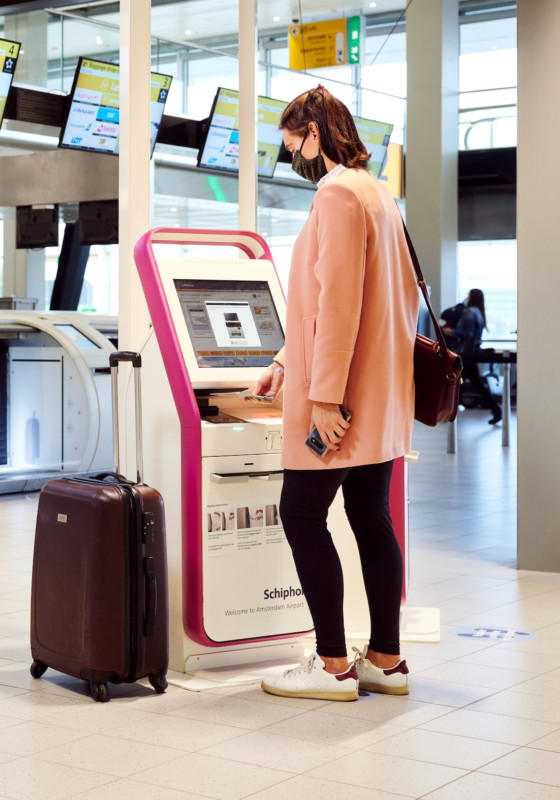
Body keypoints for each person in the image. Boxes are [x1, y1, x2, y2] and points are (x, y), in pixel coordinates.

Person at [249, 86, 418, 701]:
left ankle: (331, 664)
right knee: (370, 516)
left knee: (300, 513)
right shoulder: (378, 194)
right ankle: (385, 659)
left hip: (342, 401)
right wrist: (283, 360)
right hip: (377, 395)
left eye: (291, 143)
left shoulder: (339, 194)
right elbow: (341, 300)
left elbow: (339, 304)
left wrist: (323, 398)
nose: (290, 156)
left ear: (315, 134)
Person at [453, 289, 501, 425]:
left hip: (466, 355)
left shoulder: (469, 312)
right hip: (472, 354)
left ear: (471, 297)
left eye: (468, 294)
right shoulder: (479, 313)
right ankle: (496, 409)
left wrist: (451, 331)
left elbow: (465, 334)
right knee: (472, 383)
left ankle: (447, 410)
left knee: (456, 382)